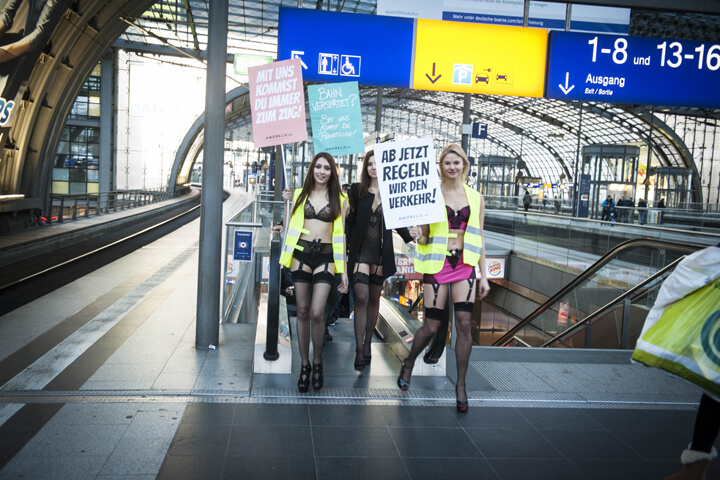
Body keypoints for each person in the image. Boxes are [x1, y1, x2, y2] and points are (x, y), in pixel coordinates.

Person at [398, 143, 491, 412]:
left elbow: (480, 237)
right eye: (448, 163)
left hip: (465, 265)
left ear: (464, 165)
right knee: (432, 326)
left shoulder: (476, 197)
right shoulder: (431, 194)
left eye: (457, 162)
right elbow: (426, 235)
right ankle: (409, 363)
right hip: (437, 265)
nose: (452, 167)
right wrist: (418, 234)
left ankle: (461, 386)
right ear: (441, 166)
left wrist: (484, 275)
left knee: (463, 323)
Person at [272, 152, 348, 392]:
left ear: (332, 172)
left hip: (326, 258)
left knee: (317, 312)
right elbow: (289, 224)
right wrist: (286, 204)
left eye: (326, 168)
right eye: (318, 167)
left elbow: (342, 235)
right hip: (301, 257)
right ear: (312, 169)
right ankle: (305, 365)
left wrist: (344, 270)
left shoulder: (341, 198)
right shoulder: (297, 195)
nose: (322, 171)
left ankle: (318, 361)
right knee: (302, 311)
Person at [346, 150, 413, 372]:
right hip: (360, 252)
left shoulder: (392, 192)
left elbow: (400, 226)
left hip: (380, 254)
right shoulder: (357, 190)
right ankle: (358, 349)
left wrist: (413, 233)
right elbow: (350, 222)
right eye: (370, 164)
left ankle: (367, 345)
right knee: (362, 297)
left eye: (378, 164)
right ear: (365, 168)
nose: (374, 167)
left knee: (374, 299)